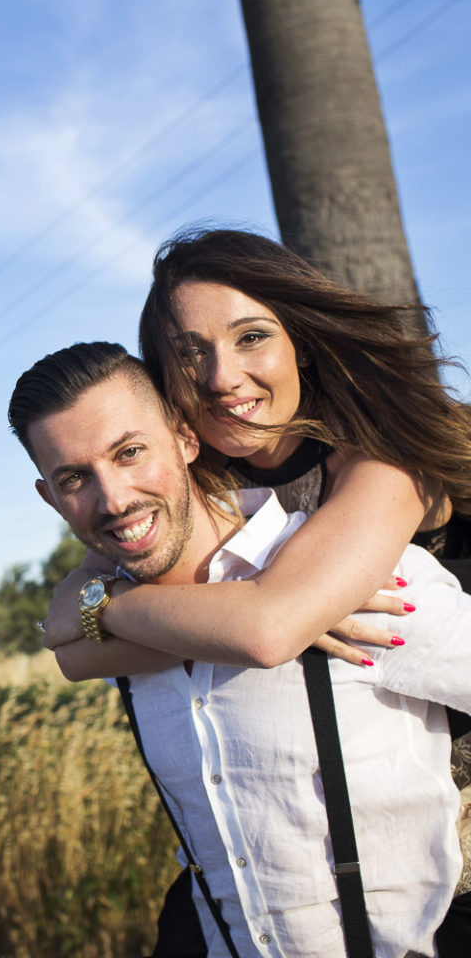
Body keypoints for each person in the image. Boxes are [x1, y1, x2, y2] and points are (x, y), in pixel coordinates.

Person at [39, 229, 471, 953]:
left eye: (250, 337)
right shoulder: (191, 487)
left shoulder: (382, 458)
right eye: (188, 354)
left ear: (300, 339)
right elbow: (71, 645)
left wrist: (115, 613)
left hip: (437, 837)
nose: (221, 376)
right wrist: (102, 607)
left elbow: (268, 629)